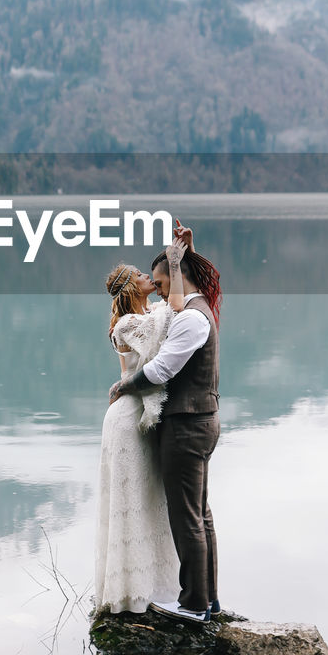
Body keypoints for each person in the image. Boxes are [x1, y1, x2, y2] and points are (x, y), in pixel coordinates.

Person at [108, 224, 222, 624]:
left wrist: (126, 385)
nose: (157, 289)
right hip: (199, 420)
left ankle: (193, 605)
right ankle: (208, 600)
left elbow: (160, 369)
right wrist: (187, 253)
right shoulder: (193, 309)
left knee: (187, 515)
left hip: (188, 425)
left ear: (176, 277)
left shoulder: (191, 318)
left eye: (159, 281)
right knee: (199, 513)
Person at [94, 245, 187, 614]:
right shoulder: (127, 325)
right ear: (131, 288)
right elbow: (176, 311)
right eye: (141, 276)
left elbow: (174, 308)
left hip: (142, 417)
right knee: (130, 501)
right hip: (127, 420)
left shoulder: (151, 313)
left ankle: (154, 589)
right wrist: (175, 266)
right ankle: (129, 595)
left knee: (149, 499)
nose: (150, 277)